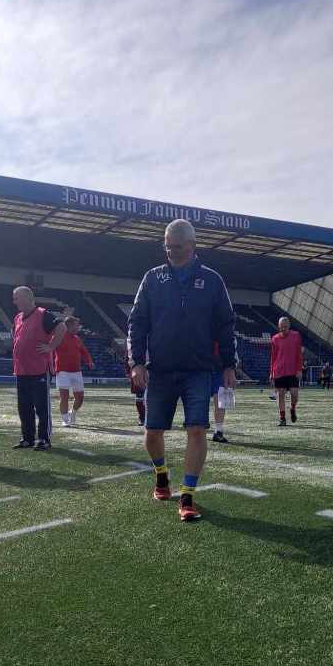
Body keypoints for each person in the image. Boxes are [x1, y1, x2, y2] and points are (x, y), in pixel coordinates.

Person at [127, 219, 236, 522]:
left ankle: (187, 496)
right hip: (160, 370)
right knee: (152, 433)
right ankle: (161, 474)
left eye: (176, 247)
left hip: (198, 370)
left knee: (197, 429)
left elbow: (226, 325)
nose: (170, 252)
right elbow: (137, 322)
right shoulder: (152, 278)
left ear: (192, 245)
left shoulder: (212, 280)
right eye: (167, 246)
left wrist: (229, 364)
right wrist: (136, 362)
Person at [12, 286, 66, 450]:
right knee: (24, 407)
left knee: (42, 407)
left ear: (28, 297)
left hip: (39, 369)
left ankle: (44, 439)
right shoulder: (18, 317)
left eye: (17, 298)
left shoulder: (43, 314)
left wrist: (51, 346)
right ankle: (27, 438)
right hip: (21, 370)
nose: (14, 301)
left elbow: (62, 327)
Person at [54, 316, 94, 427]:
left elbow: (84, 351)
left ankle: (73, 413)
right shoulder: (59, 337)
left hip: (76, 371)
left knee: (80, 398)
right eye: (76, 325)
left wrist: (89, 361)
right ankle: (65, 419)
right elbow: (50, 347)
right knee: (64, 396)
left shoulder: (77, 338)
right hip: (62, 371)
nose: (78, 327)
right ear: (69, 325)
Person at [269, 317, 302, 426]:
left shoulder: (296, 336)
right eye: (281, 326)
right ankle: (282, 418)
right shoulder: (275, 339)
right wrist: (271, 372)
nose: (283, 328)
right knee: (281, 394)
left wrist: (299, 369)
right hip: (279, 371)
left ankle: (293, 408)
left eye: (285, 326)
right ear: (279, 326)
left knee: (294, 393)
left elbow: (299, 354)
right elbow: (273, 357)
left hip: (293, 371)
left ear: (289, 326)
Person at [210, 340, 229, 443]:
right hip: (203, 368)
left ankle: (218, 431)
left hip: (220, 370)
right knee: (199, 401)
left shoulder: (226, 335)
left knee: (220, 403)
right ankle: (197, 429)